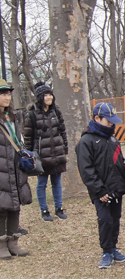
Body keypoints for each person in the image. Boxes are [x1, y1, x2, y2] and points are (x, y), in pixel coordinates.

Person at [75, 102, 125, 269]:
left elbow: (121, 165)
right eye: (108, 120)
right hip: (101, 191)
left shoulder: (113, 140)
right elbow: (86, 170)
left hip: (116, 189)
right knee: (105, 220)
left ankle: (114, 247)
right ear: (97, 118)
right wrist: (99, 190)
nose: (111, 124)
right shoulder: (86, 141)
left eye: (112, 120)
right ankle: (106, 251)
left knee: (115, 219)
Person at [23, 82, 68, 222]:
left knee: (57, 182)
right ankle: (44, 210)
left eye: (50, 94)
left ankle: (59, 208)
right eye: (46, 95)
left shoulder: (56, 111)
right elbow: (28, 137)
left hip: (57, 153)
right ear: (40, 97)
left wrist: (65, 149)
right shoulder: (31, 114)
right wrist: (30, 155)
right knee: (42, 183)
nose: (49, 97)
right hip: (41, 155)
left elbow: (63, 131)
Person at [0, 79, 32, 259]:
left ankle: (13, 243)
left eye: (8, 93)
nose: (7, 97)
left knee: (15, 206)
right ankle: (1, 245)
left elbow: (18, 140)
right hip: (1, 168)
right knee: (2, 207)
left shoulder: (14, 117)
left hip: (15, 166)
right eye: (3, 94)